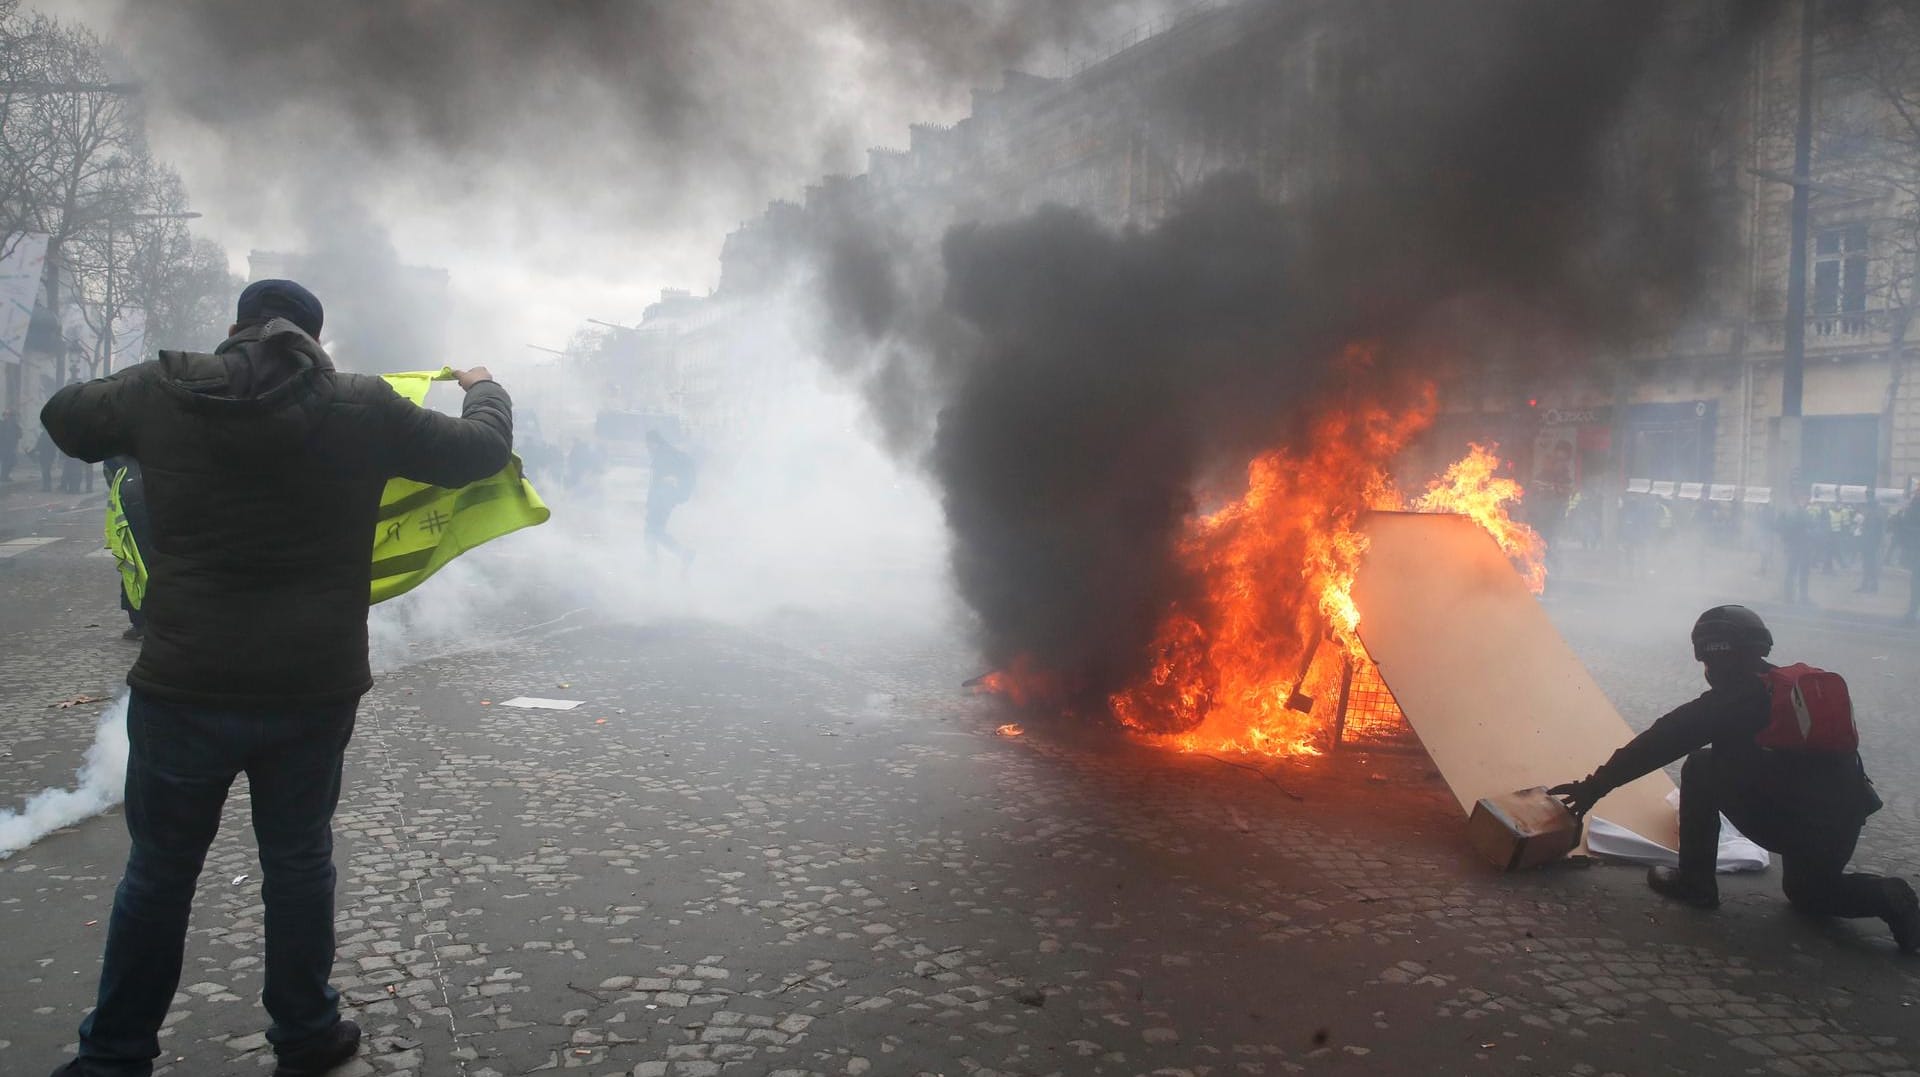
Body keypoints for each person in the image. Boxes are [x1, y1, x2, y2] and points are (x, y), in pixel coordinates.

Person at [38, 279, 513, 1077]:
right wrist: (484, 385)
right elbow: (481, 452)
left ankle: (115, 1054)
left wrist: (141, 375)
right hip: (310, 688)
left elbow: (64, 416)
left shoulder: (166, 388)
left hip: (185, 682)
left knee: (157, 871)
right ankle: (305, 1032)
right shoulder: (364, 406)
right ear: (314, 340)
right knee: (297, 862)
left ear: (236, 325)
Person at [1550, 606, 1918, 955]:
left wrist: (1593, 787)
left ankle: (1695, 883)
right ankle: (1885, 895)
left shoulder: (1731, 702)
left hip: (1791, 821)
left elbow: (1659, 742)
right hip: (1842, 820)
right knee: (1810, 894)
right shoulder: (1793, 688)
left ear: (1714, 657)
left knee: (1700, 765)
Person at [102, 456, 152, 640]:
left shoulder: (122, 466)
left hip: (133, 515)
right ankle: (145, 621)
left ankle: (141, 622)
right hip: (142, 515)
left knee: (136, 570)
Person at [645, 428, 697, 569]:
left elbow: (657, 483)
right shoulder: (669, 453)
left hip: (662, 500)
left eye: (648, 445)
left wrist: (651, 502)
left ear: (653, 442)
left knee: (653, 531)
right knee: (653, 531)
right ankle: (655, 563)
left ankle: (683, 554)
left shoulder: (662, 456)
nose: (647, 448)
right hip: (666, 500)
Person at [1777, 498, 1813, 604]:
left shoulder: (1787, 515)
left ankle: (1788, 596)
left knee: (1791, 572)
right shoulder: (1801, 514)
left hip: (1792, 547)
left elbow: (1779, 527)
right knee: (1803, 573)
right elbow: (1810, 524)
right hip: (1802, 547)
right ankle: (1803, 597)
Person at [1856, 501, 1885, 595]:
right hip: (1871, 545)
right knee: (1869, 565)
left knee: (1869, 566)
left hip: (1870, 545)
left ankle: (1870, 586)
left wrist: (1865, 545)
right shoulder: (1875, 516)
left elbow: (1870, 534)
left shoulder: (1873, 517)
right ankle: (1869, 585)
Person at [32, 425, 56, 491]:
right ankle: (47, 486)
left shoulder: (46, 434)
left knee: (45, 471)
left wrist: (36, 449)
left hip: (46, 456)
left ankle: (47, 487)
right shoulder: (46, 434)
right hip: (46, 456)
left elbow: (41, 444)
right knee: (46, 471)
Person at [1, 408, 19, 480]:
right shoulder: (2, 424)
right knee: (5, 462)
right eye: (5, 415)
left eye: (9, 415)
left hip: (11, 447)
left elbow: (19, 434)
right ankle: (3, 477)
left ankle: (5, 476)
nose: (7, 416)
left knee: (12, 462)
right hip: (3, 447)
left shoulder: (14, 424)